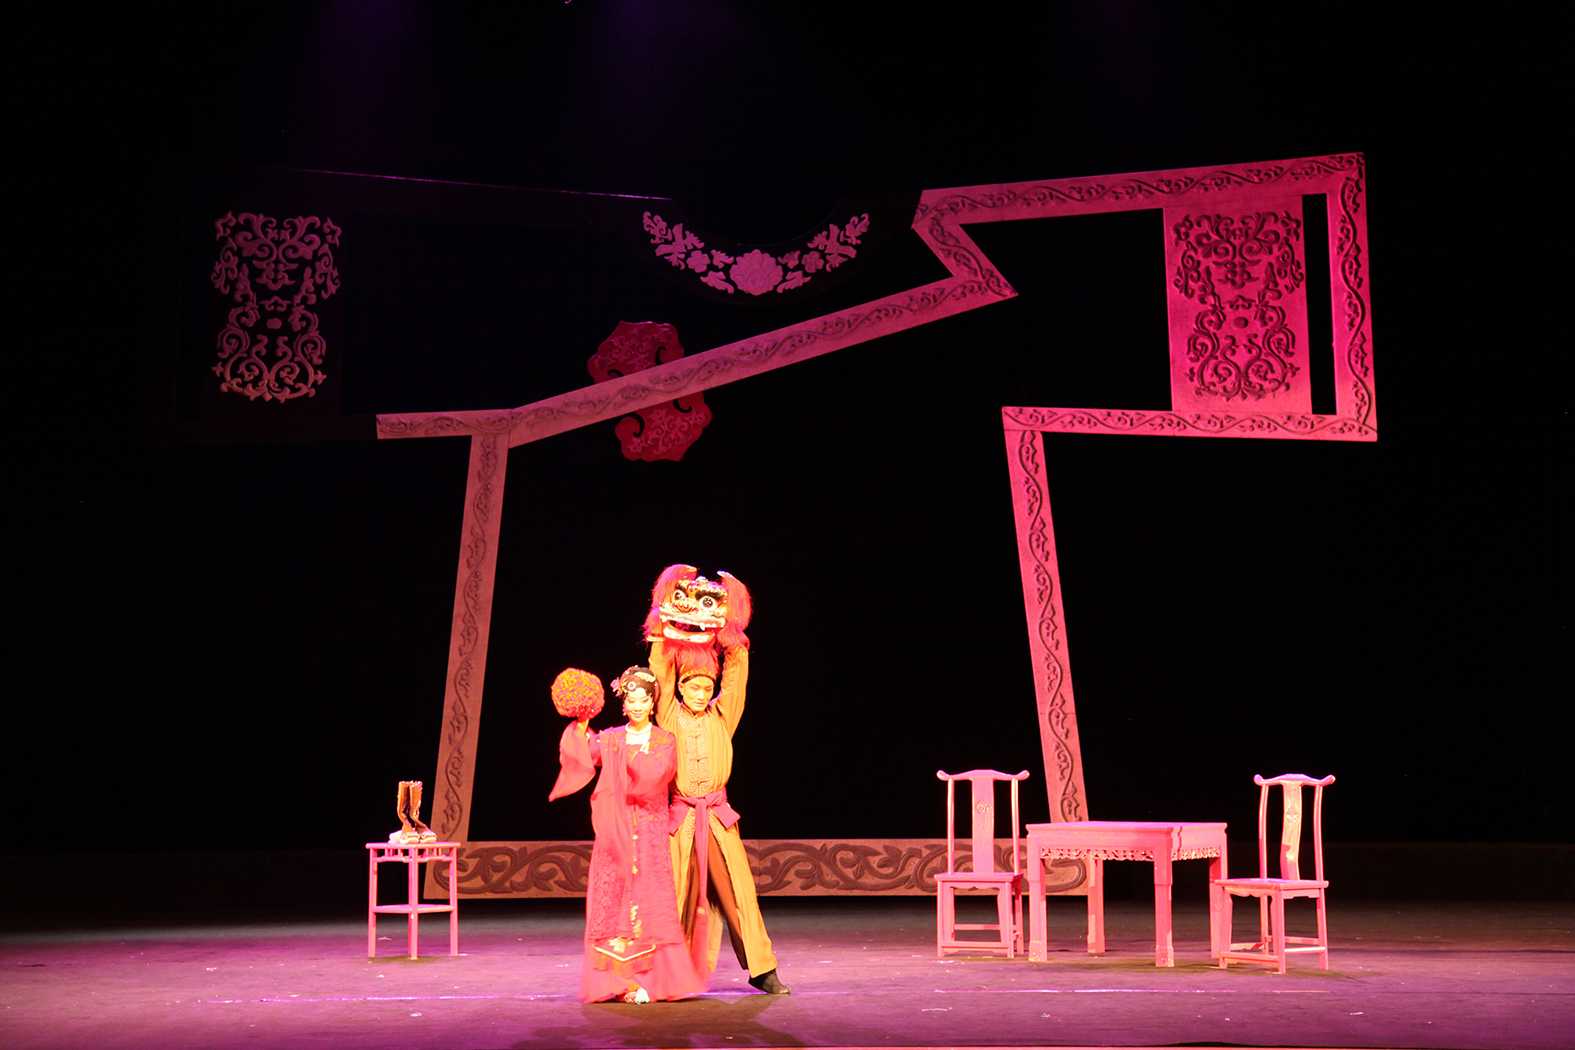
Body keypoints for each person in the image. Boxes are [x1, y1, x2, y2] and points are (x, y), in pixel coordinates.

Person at [549, 667, 704, 1003]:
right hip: (613, 832)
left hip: (649, 830)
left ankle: (651, 980)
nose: (636, 706)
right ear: (623, 703)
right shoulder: (611, 738)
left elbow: (655, 777)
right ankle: (618, 982)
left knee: (649, 898)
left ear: (652, 702)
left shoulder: (664, 740)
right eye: (631, 700)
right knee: (613, 897)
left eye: (643, 699)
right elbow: (583, 756)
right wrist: (581, 723)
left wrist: (625, 755)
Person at [651, 638, 791, 994]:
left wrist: (734, 642)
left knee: (737, 892)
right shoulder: (668, 716)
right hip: (681, 820)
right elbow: (661, 675)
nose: (701, 694)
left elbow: (736, 681)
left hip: (717, 818)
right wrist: (660, 638)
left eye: (706, 688)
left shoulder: (722, 717)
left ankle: (762, 968)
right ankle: (671, 972)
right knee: (678, 895)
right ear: (682, 688)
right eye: (694, 688)